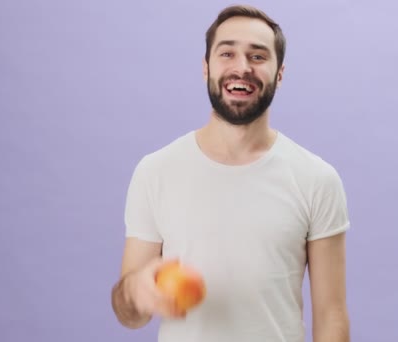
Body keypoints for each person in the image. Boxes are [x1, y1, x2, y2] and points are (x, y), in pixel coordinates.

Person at [111, 4, 351, 342]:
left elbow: (331, 316)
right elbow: (129, 314)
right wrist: (136, 290)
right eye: (227, 53)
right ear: (206, 67)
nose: (242, 68)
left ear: (279, 74)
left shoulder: (317, 179)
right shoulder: (155, 171)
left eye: (257, 57)